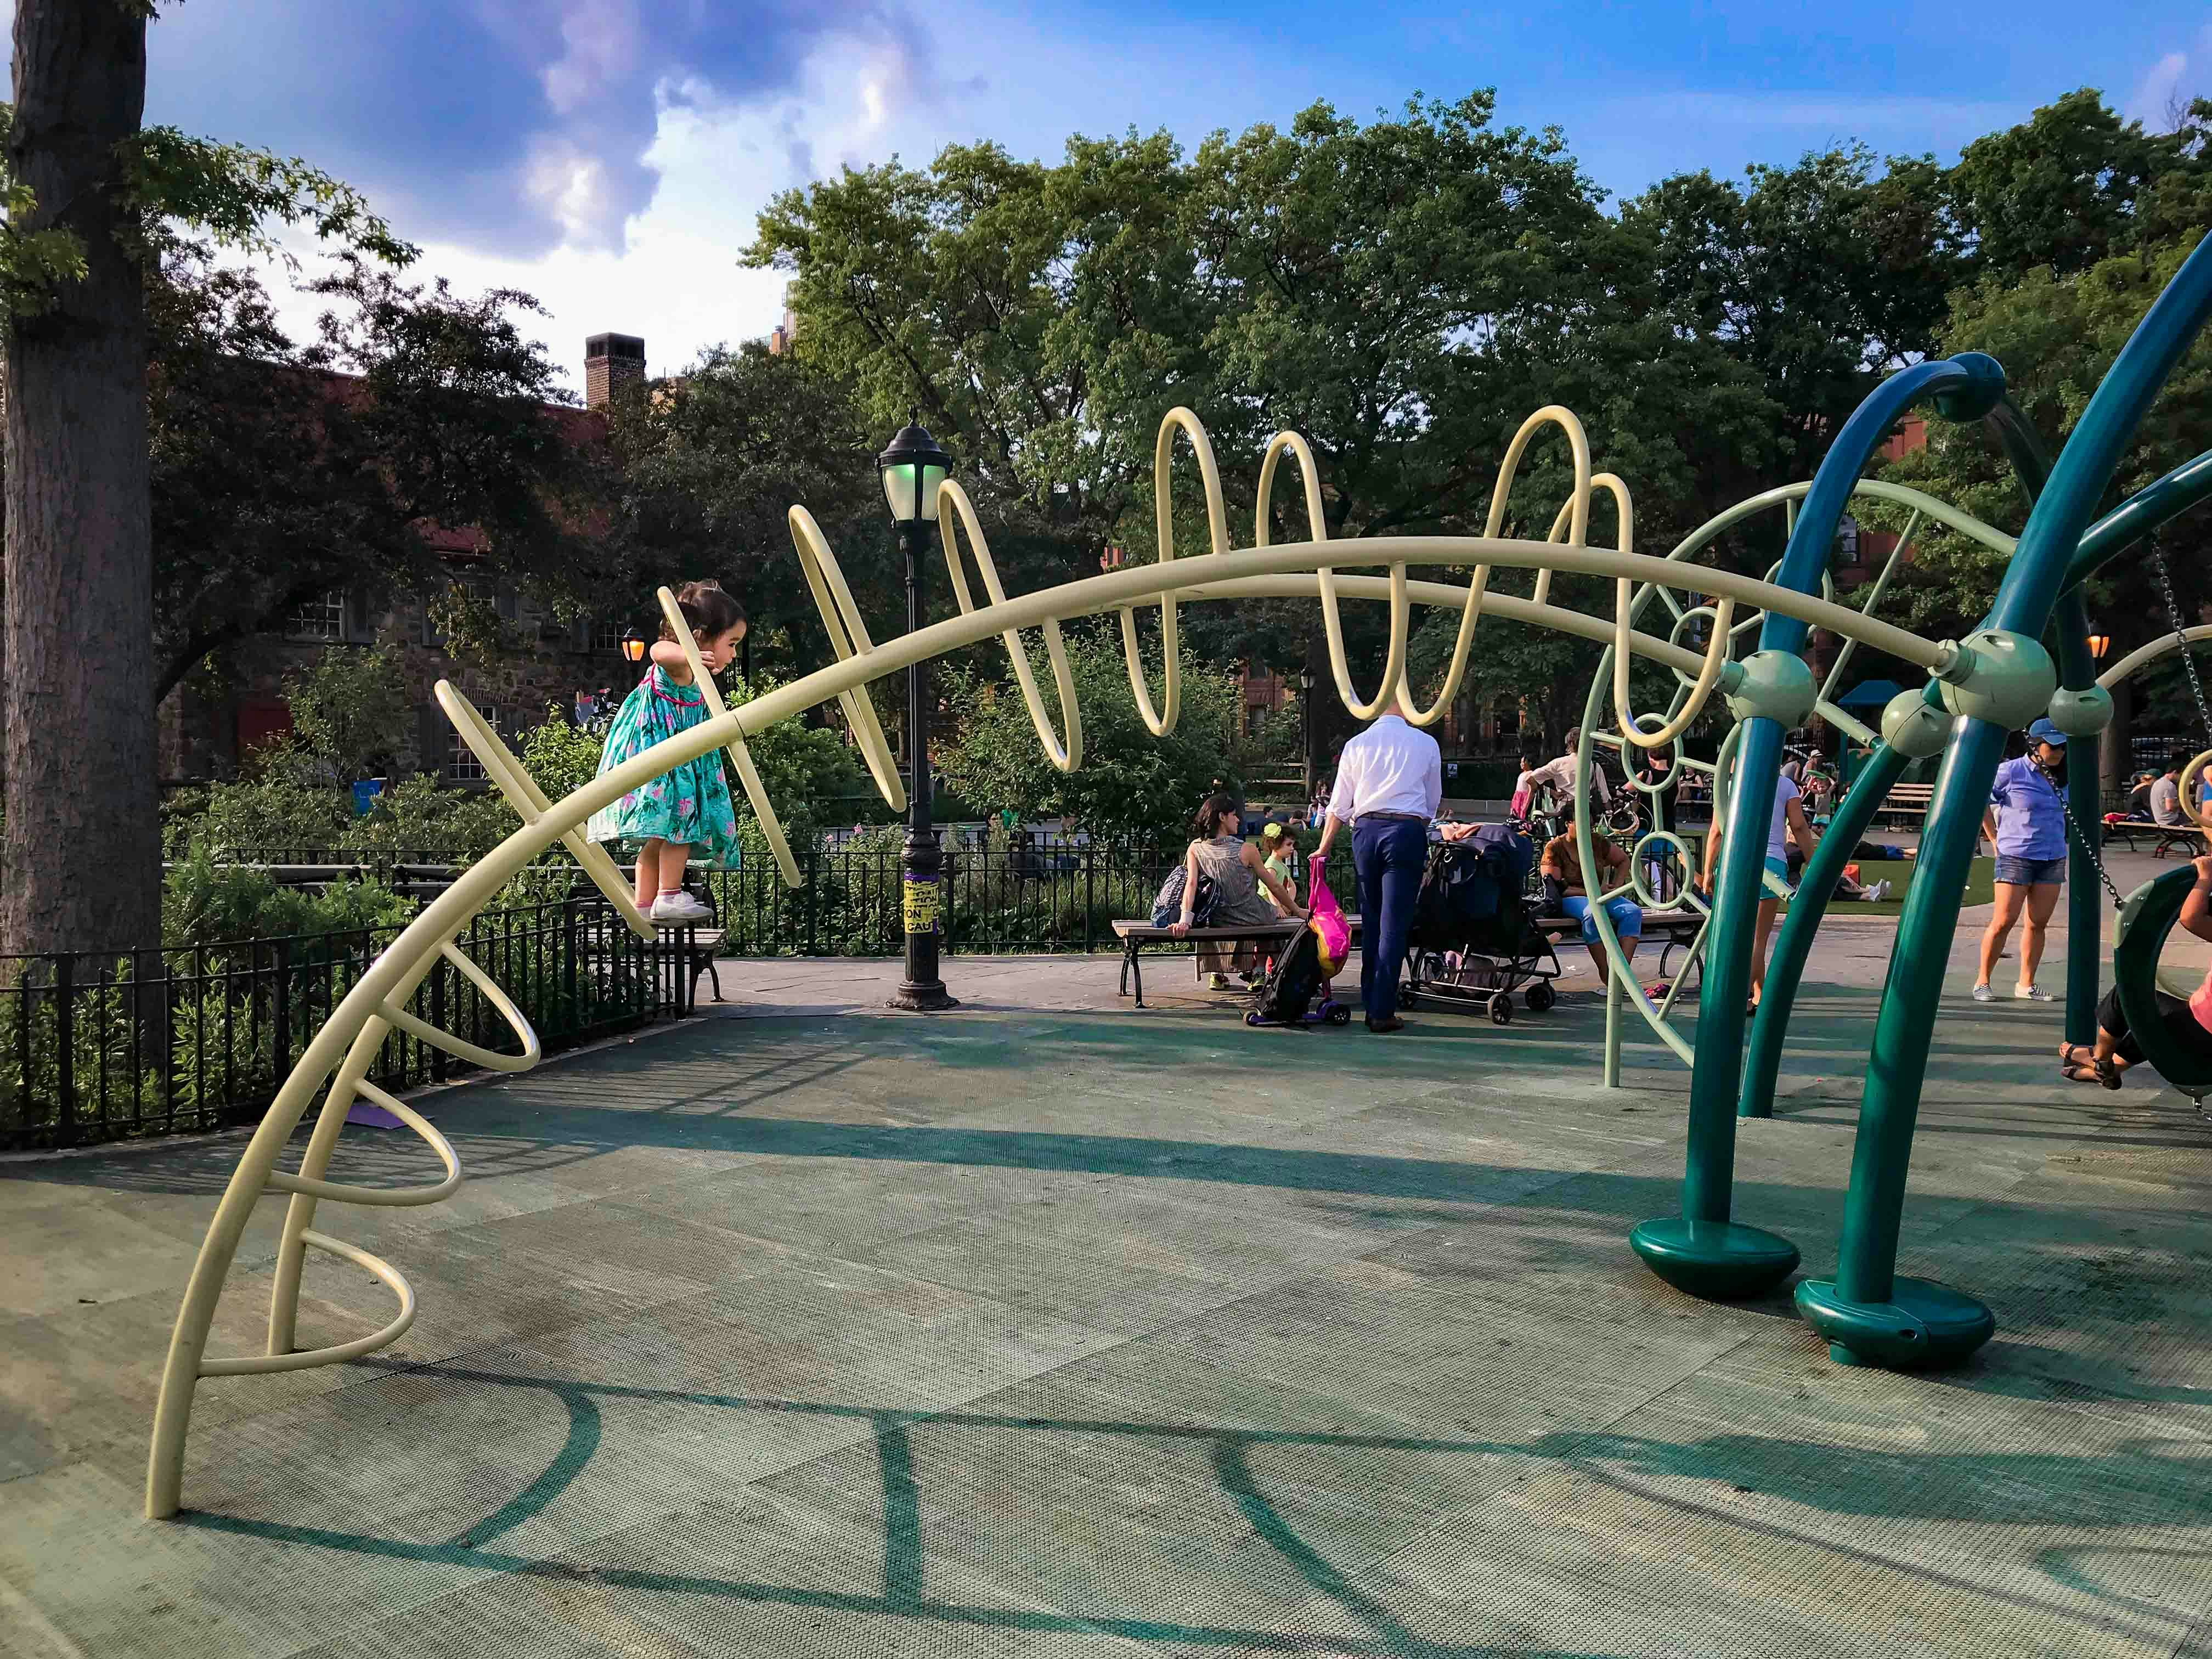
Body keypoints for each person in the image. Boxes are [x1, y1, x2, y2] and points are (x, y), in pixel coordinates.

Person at [588, 580, 747, 922]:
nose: (734, 654)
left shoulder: (696, 675)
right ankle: (669, 895)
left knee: (659, 838)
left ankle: (643, 904)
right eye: (731, 644)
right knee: (681, 822)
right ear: (701, 635)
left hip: (676, 754)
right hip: (660, 749)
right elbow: (658, 651)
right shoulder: (681, 665)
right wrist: (690, 653)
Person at [1313, 692, 1442, 1032]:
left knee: (1371, 921)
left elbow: (1339, 804)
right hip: (1405, 829)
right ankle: (1380, 1010)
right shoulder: (1425, 743)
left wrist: (1324, 846)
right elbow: (1431, 802)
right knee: (1394, 924)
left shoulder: (1358, 744)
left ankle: (1372, 999)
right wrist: (1411, 828)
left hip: (1366, 830)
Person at [2061, 853, 2212, 1088]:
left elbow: (2191, 918)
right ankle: (2110, 1070)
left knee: (2128, 996)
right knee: (2152, 1015)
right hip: (2197, 1026)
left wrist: (2205, 878)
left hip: (2200, 1034)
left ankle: (2100, 1057)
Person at [1699, 758, 1820, 1010]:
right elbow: (1798, 826)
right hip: (1771, 863)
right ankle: (1743, 996)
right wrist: (1814, 861)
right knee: (1758, 940)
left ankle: (1756, 994)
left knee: (1734, 935)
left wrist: (1708, 871)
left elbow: (1716, 831)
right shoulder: (1786, 785)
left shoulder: (1732, 786)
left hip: (1735, 864)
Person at [1974, 718, 2072, 1003]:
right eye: (2052, 746)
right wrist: (1993, 838)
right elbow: (1980, 797)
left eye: (2063, 747)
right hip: (2016, 854)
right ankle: (1983, 981)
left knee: (2038, 923)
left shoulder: (2065, 776)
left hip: (2052, 855)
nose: (2058, 752)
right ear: (2034, 745)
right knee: (2004, 920)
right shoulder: (2011, 771)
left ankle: (2026, 984)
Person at [1164, 793, 1302, 989]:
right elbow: (1275, 886)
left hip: (1218, 917)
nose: (1238, 819)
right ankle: (1260, 972)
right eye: (1234, 815)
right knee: (1274, 917)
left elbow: (1192, 884)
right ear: (1222, 817)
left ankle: (1218, 973)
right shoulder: (1246, 849)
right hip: (1251, 915)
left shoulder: (1195, 848)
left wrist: (1185, 920)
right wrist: (1297, 910)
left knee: (1217, 921)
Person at [1541, 811, 1643, 986]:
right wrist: (1594, 893)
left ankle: (1621, 973)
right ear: (1568, 823)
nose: (1586, 829)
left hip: (1599, 895)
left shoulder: (1597, 842)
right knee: (1592, 913)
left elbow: (1623, 860)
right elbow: (1556, 889)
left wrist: (1617, 887)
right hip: (1570, 897)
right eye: (1580, 823)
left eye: (1589, 825)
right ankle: (1605, 972)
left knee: (1633, 912)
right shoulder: (1555, 847)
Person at [2151, 757, 2187, 827]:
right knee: (2195, 819)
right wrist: (2184, 802)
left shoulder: (2157, 782)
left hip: (2159, 819)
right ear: (2175, 772)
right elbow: (2170, 807)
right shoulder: (2170, 786)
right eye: (2180, 775)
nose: (2181, 778)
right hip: (2170, 820)